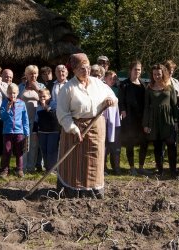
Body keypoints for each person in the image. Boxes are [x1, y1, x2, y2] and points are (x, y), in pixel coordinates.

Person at [56, 53, 117, 198]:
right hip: (75, 129)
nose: (86, 71)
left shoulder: (98, 84)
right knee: (74, 163)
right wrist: (73, 129)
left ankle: (94, 191)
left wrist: (110, 100)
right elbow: (62, 113)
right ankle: (72, 191)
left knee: (94, 161)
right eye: (82, 69)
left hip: (96, 127)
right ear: (75, 70)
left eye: (88, 68)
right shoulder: (68, 88)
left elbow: (113, 97)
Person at [143, 64, 178, 177]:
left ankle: (173, 170)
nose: (157, 76)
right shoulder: (149, 88)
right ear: (152, 75)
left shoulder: (169, 87)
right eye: (154, 74)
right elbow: (146, 107)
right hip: (154, 120)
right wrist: (146, 124)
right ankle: (160, 170)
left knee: (171, 144)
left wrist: (176, 121)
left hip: (168, 120)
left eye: (159, 73)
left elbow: (174, 105)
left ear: (163, 73)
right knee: (157, 146)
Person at [119, 61, 150, 176]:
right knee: (130, 143)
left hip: (141, 119)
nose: (137, 71)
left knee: (144, 142)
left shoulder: (143, 85)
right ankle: (132, 167)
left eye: (139, 69)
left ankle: (141, 167)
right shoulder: (124, 84)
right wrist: (123, 111)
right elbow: (121, 101)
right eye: (135, 69)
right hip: (129, 119)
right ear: (130, 70)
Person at [0, 83, 30, 178]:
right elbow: (2, 117)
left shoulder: (21, 103)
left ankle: (19, 170)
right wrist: (7, 109)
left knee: (19, 152)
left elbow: (25, 119)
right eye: (10, 93)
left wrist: (26, 132)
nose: (12, 95)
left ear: (17, 93)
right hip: (7, 132)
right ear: (7, 93)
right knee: (6, 151)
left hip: (19, 132)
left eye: (14, 93)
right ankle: (5, 170)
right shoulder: (4, 102)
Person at [18, 65, 45, 173]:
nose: (33, 75)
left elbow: (45, 99)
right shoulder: (21, 86)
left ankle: (31, 167)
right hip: (22, 119)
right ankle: (22, 167)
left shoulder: (41, 86)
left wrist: (37, 89)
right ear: (26, 75)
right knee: (24, 143)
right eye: (30, 73)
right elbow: (16, 99)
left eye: (35, 73)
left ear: (37, 74)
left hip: (36, 119)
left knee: (33, 145)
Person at [33, 88, 60, 172]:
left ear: (49, 96)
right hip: (42, 132)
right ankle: (47, 168)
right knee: (44, 150)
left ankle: (53, 169)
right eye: (40, 97)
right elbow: (36, 120)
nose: (42, 98)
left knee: (51, 150)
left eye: (44, 96)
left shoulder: (54, 104)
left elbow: (55, 117)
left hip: (53, 131)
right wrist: (34, 132)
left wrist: (46, 108)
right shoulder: (38, 107)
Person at [103, 70, 121, 175]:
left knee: (115, 143)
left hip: (115, 119)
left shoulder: (117, 89)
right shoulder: (101, 88)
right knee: (104, 144)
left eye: (114, 78)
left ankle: (116, 167)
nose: (113, 80)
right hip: (105, 118)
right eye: (110, 78)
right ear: (105, 78)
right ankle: (103, 167)